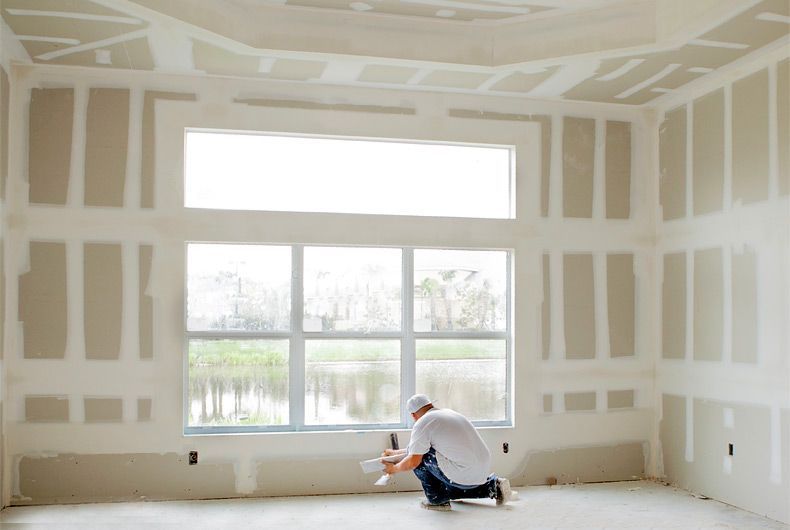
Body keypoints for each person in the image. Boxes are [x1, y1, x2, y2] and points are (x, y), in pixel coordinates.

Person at [381, 394, 512, 511]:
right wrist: (394, 453)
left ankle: (437, 500)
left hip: (462, 473)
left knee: (422, 460)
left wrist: (394, 469)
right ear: (430, 404)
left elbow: (414, 461)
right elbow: (416, 450)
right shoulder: (447, 413)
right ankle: (493, 486)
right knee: (446, 487)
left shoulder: (423, 422)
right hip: (481, 472)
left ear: (413, 415)